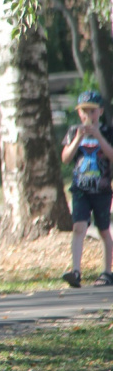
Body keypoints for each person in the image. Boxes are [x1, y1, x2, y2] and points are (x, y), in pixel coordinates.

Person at [61, 90, 113, 288]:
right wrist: (78, 139)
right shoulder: (74, 131)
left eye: (92, 111)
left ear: (100, 111)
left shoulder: (107, 132)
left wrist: (98, 136)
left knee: (104, 230)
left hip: (102, 190)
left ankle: (107, 272)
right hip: (80, 189)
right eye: (84, 111)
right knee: (78, 228)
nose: (88, 116)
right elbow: (65, 158)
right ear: (79, 113)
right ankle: (76, 271)